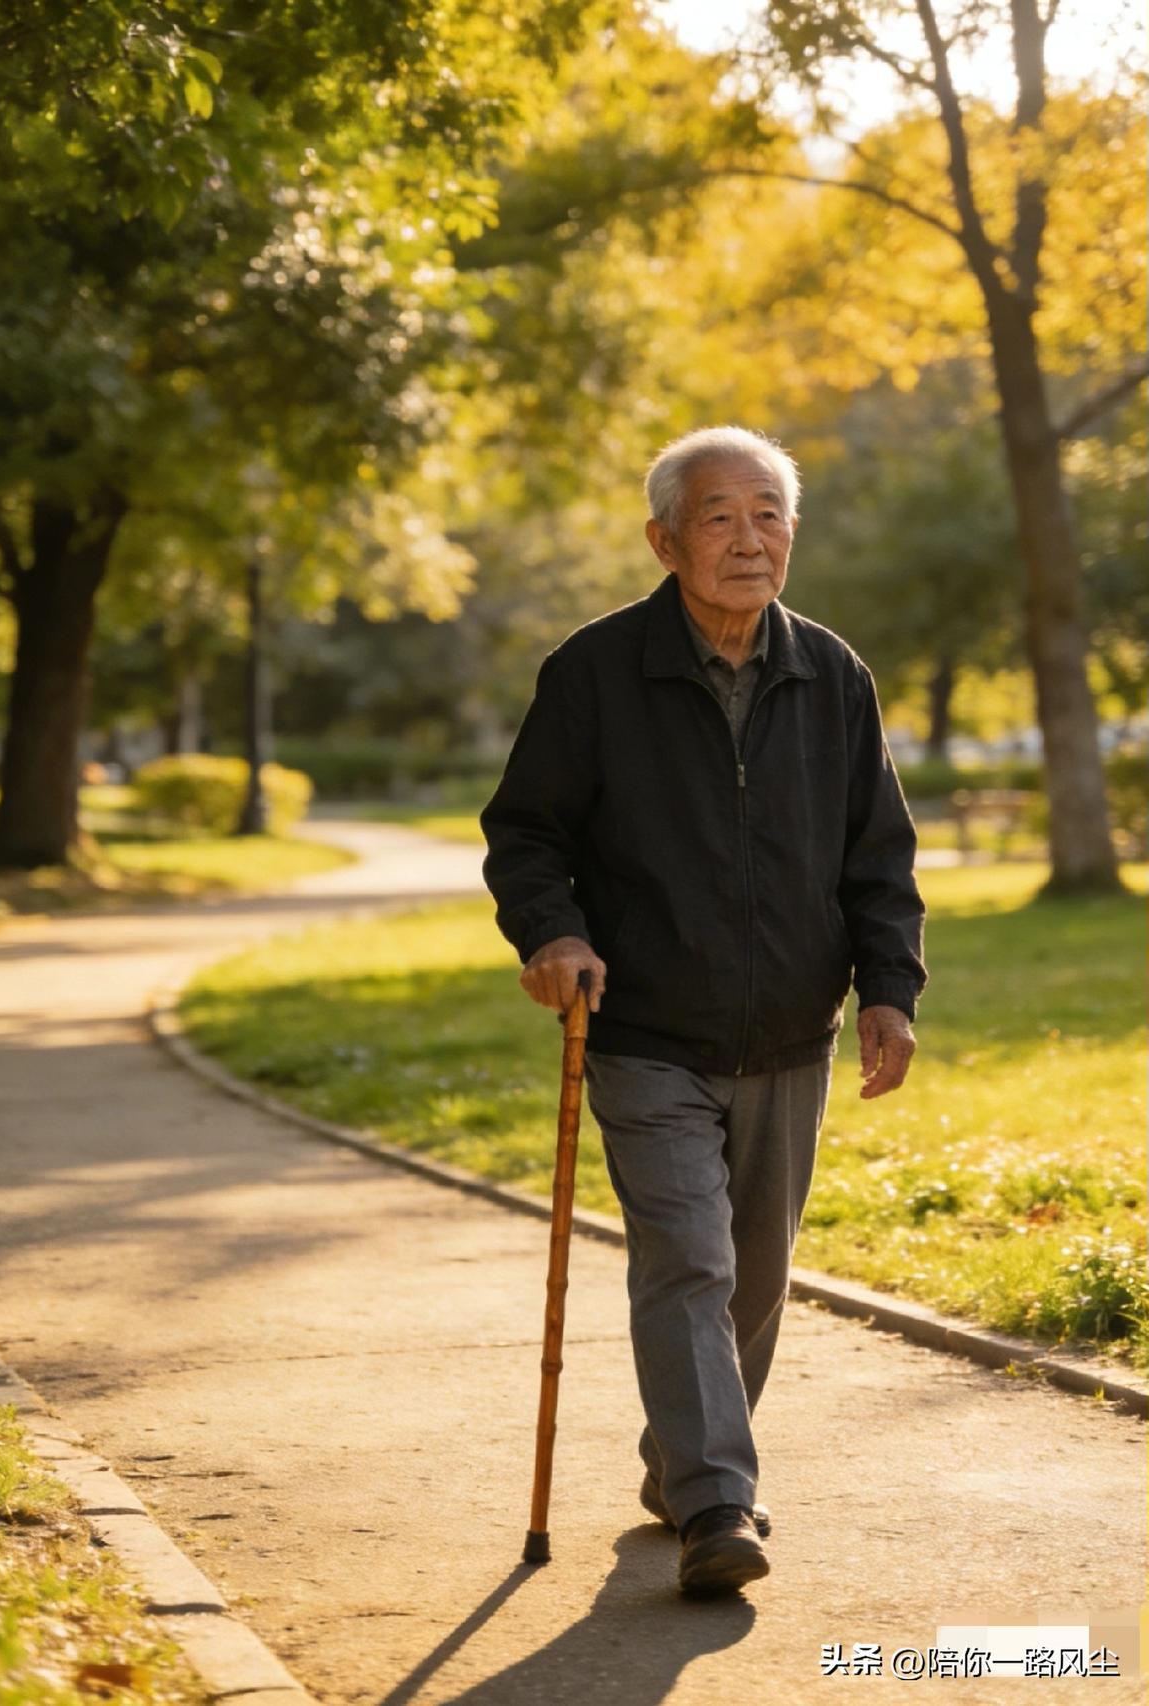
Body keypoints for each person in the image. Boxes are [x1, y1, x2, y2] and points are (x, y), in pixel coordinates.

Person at [480, 425, 926, 1597]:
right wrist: (552, 932)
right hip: (643, 1027)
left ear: (791, 532)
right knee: (688, 1258)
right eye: (718, 516)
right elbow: (525, 832)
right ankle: (718, 1498)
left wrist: (888, 988)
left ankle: (678, 1463)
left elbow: (875, 854)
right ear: (664, 540)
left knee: (754, 1275)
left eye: (767, 513)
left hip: (789, 1030)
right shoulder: (594, 670)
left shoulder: (830, 673)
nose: (747, 538)